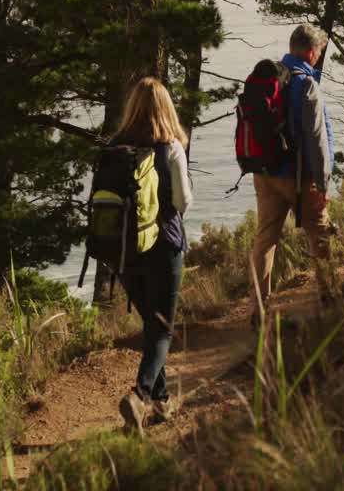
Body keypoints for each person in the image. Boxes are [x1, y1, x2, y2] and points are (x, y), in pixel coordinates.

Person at [114, 77, 192, 434]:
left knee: (151, 323)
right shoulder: (171, 147)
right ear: (166, 107)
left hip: (123, 250)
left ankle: (161, 401)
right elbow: (182, 202)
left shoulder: (115, 146)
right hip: (163, 246)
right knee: (162, 329)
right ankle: (141, 395)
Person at [250, 23, 338, 325]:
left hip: (264, 173)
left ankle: (259, 311)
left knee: (265, 239)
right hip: (297, 176)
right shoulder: (306, 84)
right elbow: (316, 139)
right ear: (312, 52)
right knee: (319, 231)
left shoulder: (268, 77)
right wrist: (323, 182)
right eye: (319, 53)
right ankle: (328, 295)